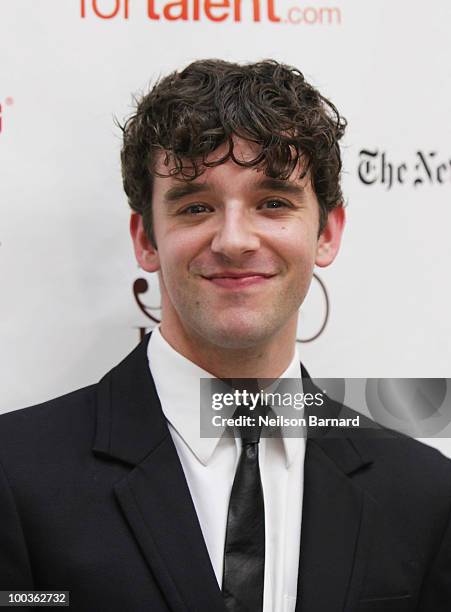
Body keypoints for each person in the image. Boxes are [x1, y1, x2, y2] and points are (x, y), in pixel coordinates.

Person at [0, 59, 450, 612]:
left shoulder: (425, 495)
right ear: (146, 238)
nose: (234, 240)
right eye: (196, 206)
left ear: (327, 233)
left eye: (274, 202)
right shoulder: (15, 475)